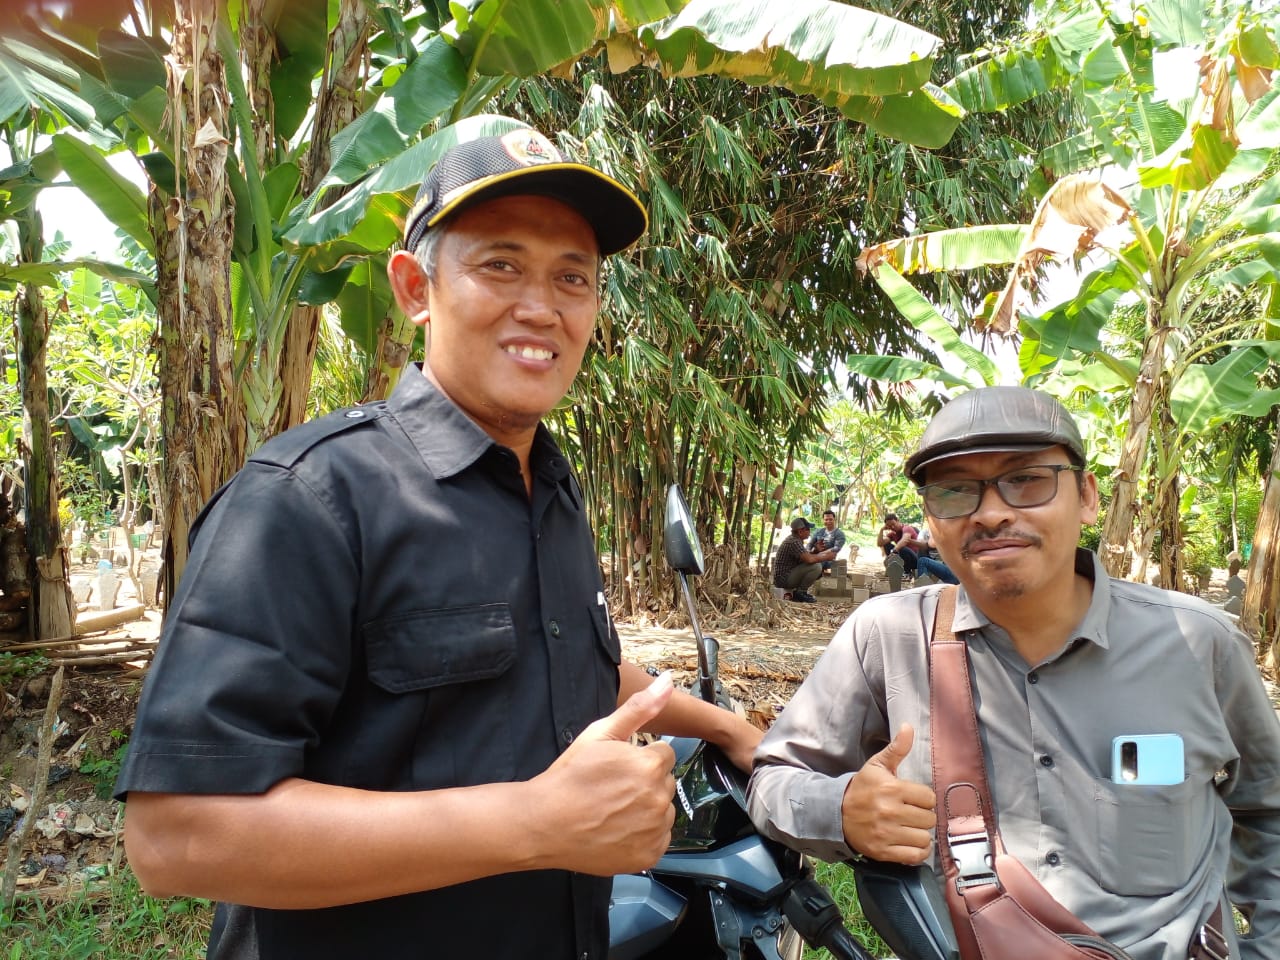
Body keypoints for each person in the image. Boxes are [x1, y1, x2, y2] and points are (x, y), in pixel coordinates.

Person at [114, 125, 761, 960]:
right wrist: (532, 823)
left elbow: (570, 660)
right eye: (501, 264)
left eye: (574, 278)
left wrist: (729, 729)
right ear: (416, 288)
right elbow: (174, 837)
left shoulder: (552, 491)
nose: (542, 305)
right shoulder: (310, 498)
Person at [748, 385, 1280, 960]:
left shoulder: (1199, 645)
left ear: (1087, 497)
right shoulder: (888, 636)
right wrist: (843, 811)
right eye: (955, 490)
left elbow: (1267, 810)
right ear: (931, 517)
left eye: (1026, 478)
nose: (992, 511)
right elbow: (774, 779)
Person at [772, 517, 833, 603]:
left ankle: (800, 592)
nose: (809, 532)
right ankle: (801, 592)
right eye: (808, 529)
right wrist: (826, 556)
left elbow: (804, 558)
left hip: (786, 576)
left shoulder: (795, 540)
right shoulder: (793, 542)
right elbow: (809, 560)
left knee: (820, 564)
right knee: (816, 566)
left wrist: (816, 551)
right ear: (800, 532)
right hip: (783, 579)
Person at [807, 509, 846, 574]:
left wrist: (821, 554)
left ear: (834, 520)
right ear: (823, 520)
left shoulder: (839, 534)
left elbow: (836, 548)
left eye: (830, 519)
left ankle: (834, 565)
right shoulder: (818, 531)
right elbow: (810, 543)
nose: (828, 521)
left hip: (828, 558)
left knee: (814, 568)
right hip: (815, 555)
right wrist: (807, 551)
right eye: (826, 519)